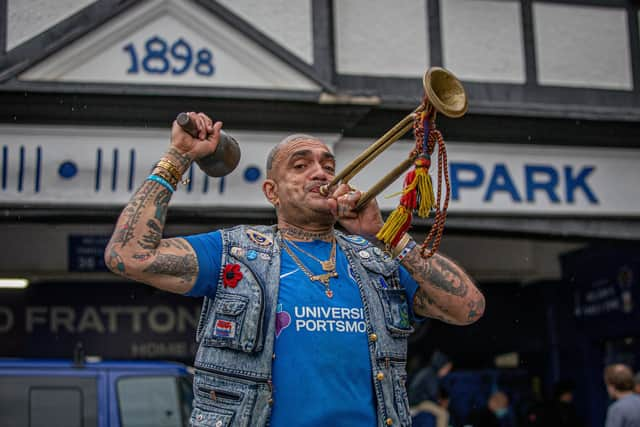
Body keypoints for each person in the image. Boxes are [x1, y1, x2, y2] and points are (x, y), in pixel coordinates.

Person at [104, 112, 485, 426]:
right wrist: (178, 157)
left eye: (328, 165)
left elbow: (468, 308)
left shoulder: (377, 262)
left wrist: (389, 236)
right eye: (301, 165)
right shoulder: (233, 251)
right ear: (272, 192)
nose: (320, 173)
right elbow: (128, 256)